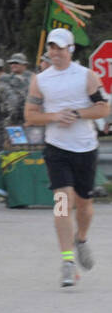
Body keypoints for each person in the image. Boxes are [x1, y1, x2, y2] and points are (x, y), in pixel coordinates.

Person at [25, 28, 109, 287]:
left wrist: (78, 114)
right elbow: (30, 116)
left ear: (70, 50)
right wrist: (54, 116)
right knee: (62, 200)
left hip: (84, 148)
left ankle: (81, 239)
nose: (55, 52)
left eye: (60, 48)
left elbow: (104, 108)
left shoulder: (86, 76)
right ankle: (67, 261)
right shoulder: (41, 80)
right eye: (51, 48)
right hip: (57, 149)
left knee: (83, 205)